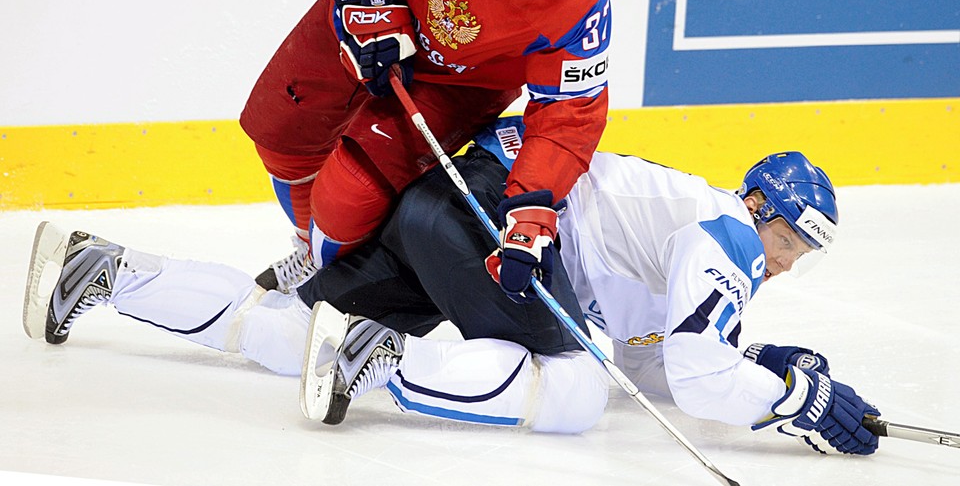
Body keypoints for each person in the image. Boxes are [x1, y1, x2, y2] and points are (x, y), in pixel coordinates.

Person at [22, 118, 881, 454]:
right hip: (488, 217)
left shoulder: (694, 237)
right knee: (576, 391)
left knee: (295, 330)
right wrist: (792, 397)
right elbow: (686, 377)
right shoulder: (724, 232)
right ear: (760, 204)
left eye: (808, 249)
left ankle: (106, 272)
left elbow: (654, 364)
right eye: (792, 235)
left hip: (444, 203)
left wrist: (757, 359)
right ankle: (381, 362)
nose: (791, 259)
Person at [238, 0, 612, 300]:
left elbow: (569, 113)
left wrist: (531, 206)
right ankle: (311, 249)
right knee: (281, 133)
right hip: (373, 19)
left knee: (347, 197)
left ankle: (320, 266)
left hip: (461, 83)